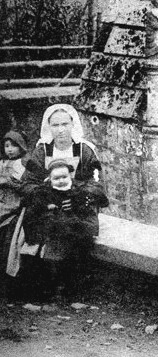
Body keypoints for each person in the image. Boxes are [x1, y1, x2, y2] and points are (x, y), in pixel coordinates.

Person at [7, 103, 106, 281]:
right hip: (47, 203)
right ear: (48, 127)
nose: (60, 130)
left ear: (72, 124)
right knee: (38, 225)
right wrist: (46, 197)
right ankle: (42, 279)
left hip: (77, 203)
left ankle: (74, 280)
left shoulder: (84, 150)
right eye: (55, 125)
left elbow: (97, 184)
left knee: (76, 229)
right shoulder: (42, 151)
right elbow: (28, 183)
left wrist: (78, 196)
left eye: (65, 124)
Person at [22, 158, 107, 297]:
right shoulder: (44, 192)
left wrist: (78, 205)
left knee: (78, 256)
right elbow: (33, 211)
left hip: (74, 230)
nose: (61, 181)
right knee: (44, 258)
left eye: (64, 177)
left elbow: (96, 205)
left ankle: (73, 291)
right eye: (56, 178)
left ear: (70, 176)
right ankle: (46, 291)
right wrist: (47, 208)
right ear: (50, 179)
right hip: (52, 230)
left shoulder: (78, 191)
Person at [0, 131, 28, 286]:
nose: (10, 149)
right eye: (7, 146)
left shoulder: (22, 164)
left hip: (13, 203)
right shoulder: (2, 163)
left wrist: (9, 182)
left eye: (14, 146)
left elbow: (22, 186)